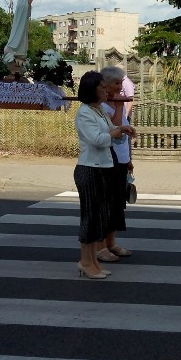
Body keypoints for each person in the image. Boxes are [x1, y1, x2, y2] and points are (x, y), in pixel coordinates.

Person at [73, 71, 130, 279]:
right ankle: (85, 261)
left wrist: (122, 129)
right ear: (92, 90)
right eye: (103, 88)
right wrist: (114, 133)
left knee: (99, 217)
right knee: (89, 217)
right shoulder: (85, 112)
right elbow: (97, 139)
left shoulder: (99, 111)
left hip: (103, 168)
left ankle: (93, 261)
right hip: (89, 168)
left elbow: (111, 129)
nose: (107, 91)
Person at [97, 66, 136, 263]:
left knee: (118, 204)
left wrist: (128, 159)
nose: (121, 88)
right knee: (107, 204)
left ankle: (112, 242)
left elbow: (124, 134)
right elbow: (112, 130)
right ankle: (101, 246)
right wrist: (120, 105)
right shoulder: (103, 106)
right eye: (117, 83)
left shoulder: (116, 101)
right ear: (106, 84)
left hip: (120, 159)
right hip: (106, 160)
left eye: (121, 83)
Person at [4, 0, 41, 76]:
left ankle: (20, 51)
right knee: (17, 34)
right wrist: (28, 3)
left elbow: (27, 13)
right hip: (19, 22)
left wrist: (29, 5)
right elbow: (21, 8)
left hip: (23, 23)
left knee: (23, 36)